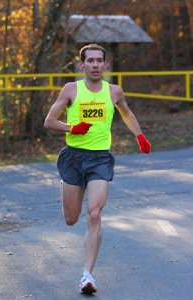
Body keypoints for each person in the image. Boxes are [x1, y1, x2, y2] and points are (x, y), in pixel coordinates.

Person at [44, 44, 151, 294]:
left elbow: (126, 113)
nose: (94, 65)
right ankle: (71, 186)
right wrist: (73, 128)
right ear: (82, 65)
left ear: (105, 65)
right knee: (71, 219)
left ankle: (87, 275)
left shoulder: (114, 92)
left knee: (94, 214)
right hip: (73, 157)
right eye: (89, 61)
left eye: (98, 61)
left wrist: (140, 135)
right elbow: (49, 121)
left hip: (100, 158)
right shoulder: (71, 89)